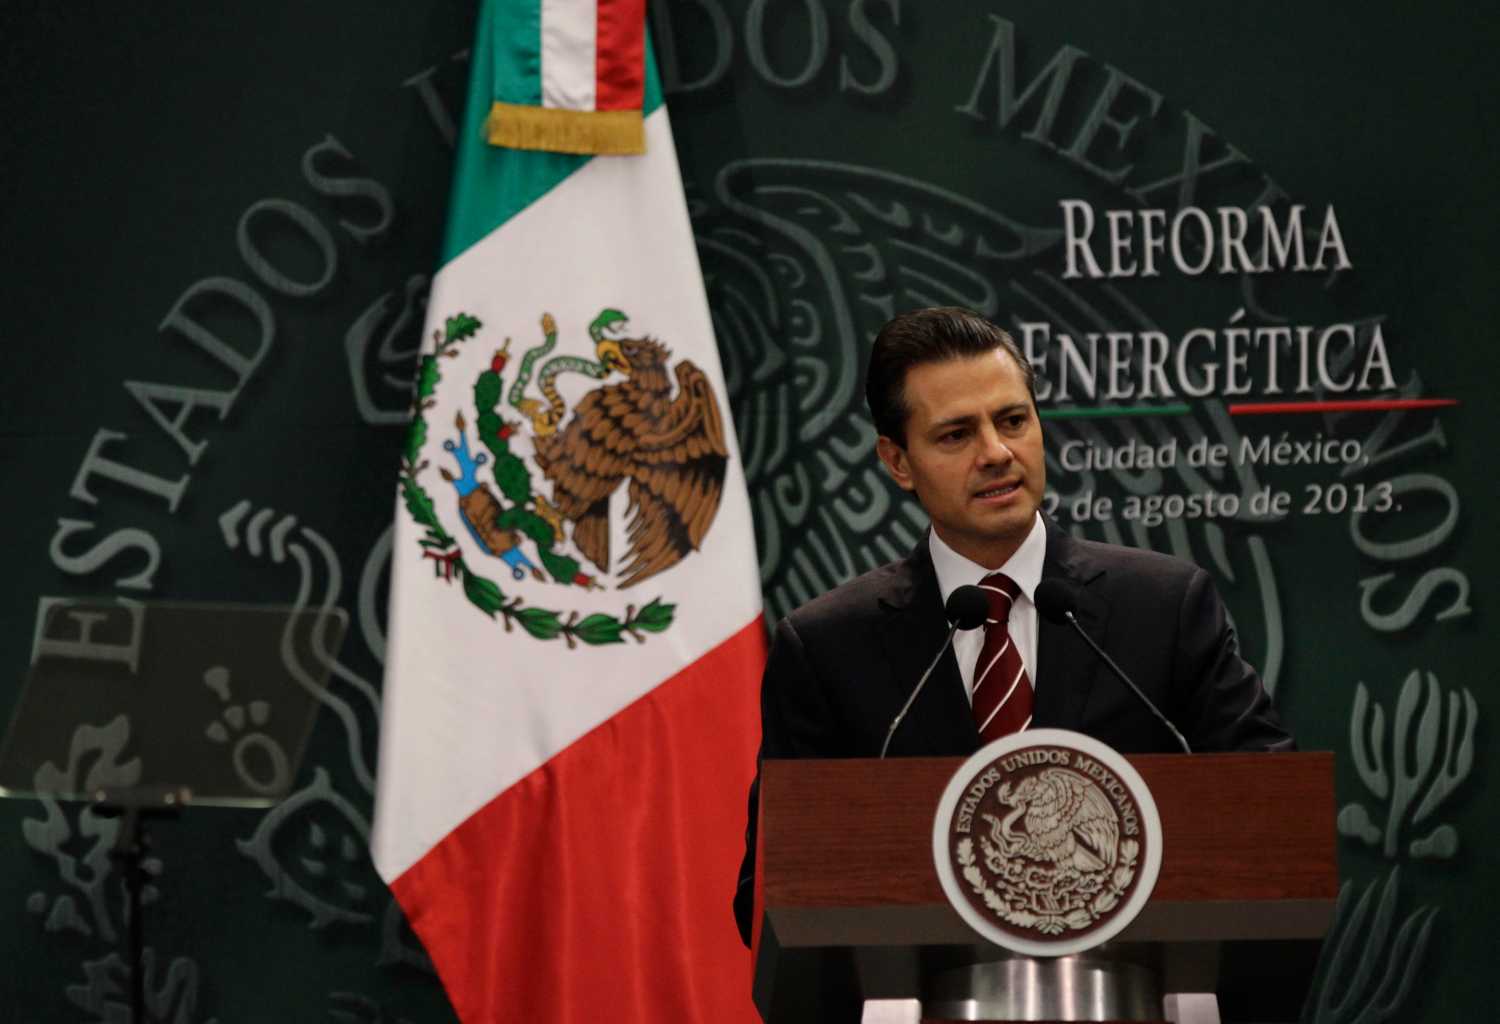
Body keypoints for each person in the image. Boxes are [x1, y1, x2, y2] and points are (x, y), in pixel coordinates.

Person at [734, 306, 1293, 947]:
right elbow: (770, 887)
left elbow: (1270, 816)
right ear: (897, 461)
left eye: (1012, 421)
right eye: (955, 435)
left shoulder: (1164, 607)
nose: (996, 454)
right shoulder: (830, 647)